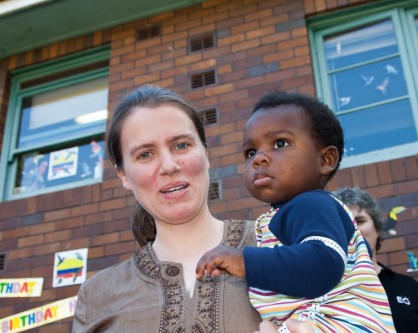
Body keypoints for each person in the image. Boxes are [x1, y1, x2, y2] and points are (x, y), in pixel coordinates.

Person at [71, 85, 311, 333]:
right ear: (123, 175)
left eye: (181, 146)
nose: (169, 165)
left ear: (206, 154)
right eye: (145, 154)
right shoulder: (96, 296)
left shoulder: (291, 245)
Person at [196, 91, 395, 332]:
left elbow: (322, 263)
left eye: (280, 143)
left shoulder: (313, 204)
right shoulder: (291, 211)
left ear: (326, 159)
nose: (259, 158)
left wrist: (245, 260)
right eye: (251, 152)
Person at [331, 187, 418, 333]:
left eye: (359, 221)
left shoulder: (408, 288)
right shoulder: (319, 294)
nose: (353, 230)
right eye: (343, 223)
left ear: (377, 229)